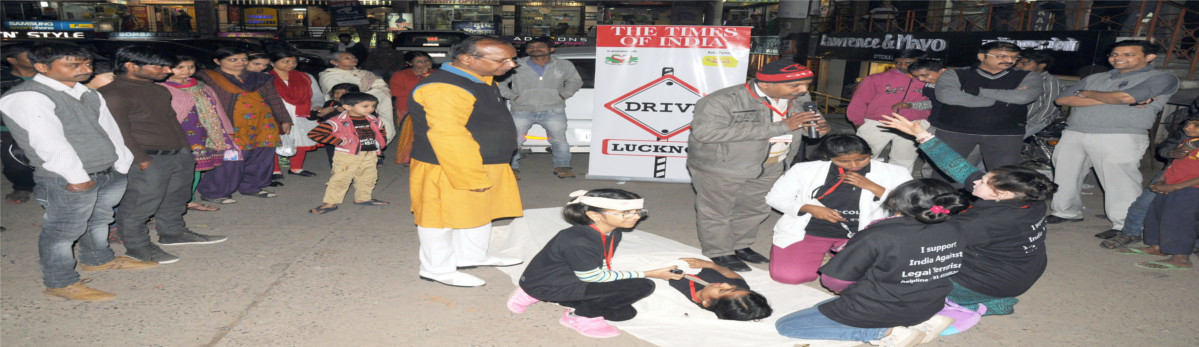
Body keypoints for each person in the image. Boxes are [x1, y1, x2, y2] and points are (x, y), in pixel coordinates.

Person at [0, 42, 158, 301]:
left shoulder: (87, 93)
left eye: (87, 64)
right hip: (68, 177)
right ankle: (60, 282)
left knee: (98, 221)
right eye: (73, 64)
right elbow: (47, 142)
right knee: (62, 232)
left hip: (106, 170)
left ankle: (98, 260)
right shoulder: (28, 96)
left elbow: (109, 130)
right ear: (42, 67)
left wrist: (120, 163)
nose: (84, 69)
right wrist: (76, 178)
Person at [882, 113, 1056, 316]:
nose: (976, 181)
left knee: (899, 274)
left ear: (1003, 193)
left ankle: (978, 303)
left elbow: (924, 240)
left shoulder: (985, 221)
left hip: (990, 283)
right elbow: (960, 168)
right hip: (1019, 272)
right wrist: (922, 134)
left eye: (983, 182)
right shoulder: (1029, 200)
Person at [775, 178, 966, 346]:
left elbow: (834, 281)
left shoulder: (879, 234)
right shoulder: (957, 227)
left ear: (898, 202)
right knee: (819, 308)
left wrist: (844, 284)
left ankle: (883, 332)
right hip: (929, 302)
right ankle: (923, 321)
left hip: (881, 308)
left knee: (787, 326)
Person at [687, 60, 830, 272]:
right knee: (718, 211)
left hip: (773, 164)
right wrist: (781, 126)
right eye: (796, 86)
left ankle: (740, 245)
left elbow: (810, 121)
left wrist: (823, 126)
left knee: (755, 209)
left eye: (807, 84)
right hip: (723, 167)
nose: (804, 90)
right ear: (765, 85)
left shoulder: (800, 98)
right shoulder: (723, 100)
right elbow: (705, 133)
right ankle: (719, 252)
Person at [409, 36, 524, 287]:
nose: (511, 64)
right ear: (467, 59)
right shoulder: (444, 87)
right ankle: (436, 269)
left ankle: (471, 255)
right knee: (439, 219)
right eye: (502, 60)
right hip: (447, 165)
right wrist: (471, 176)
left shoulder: (481, 79)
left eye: (512, 58)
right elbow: (449, 135)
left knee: (479, 212)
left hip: (486, 161)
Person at [101, 45, 228, 264]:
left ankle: (173, 232)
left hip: (178, 153)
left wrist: (186, 153)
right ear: (131, 65)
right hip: (147, 155)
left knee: (176, 197)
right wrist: (142, 159)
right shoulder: (113, 93)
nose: (167, 70)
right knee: (141, 204)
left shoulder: (158, 89)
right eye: (159, 65)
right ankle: (137, 246)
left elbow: (172, 123)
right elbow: (119, 132)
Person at [506, 189, 684, 338]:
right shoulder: (578, 240)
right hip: (547, 284)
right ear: (594, 215)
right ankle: (576, 315)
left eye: (638, 211)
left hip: (570, 278)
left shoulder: (613, 232)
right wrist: (649, 273)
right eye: (626, 213)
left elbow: (603, 262)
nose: (635, 217)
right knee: (643, 286)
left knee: (624, 313)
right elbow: (594, 276)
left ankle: (564, 301)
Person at [1047, 40, 1180, 235]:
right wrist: (1116, 98)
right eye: (1115, 54)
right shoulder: (1097, 76)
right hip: (1075, 131)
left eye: (1128, 54)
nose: (1118, 58)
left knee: (1119, 181)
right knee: (1065, 174)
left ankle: (1125, 224)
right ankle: (1065, 211)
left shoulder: (1162, 77)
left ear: (1149, 57)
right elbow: (1062, 99)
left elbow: (1127, 97)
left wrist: (1086, 94)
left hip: (1121, 134)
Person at [764, 134, 913, 284]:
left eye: (862, 158)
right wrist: (808, 208)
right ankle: (829, 249)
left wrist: (874, 187)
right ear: (829, 157)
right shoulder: (803, 170)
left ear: (870, 153)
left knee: (858, 280)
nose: (854, 165)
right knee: (789, 276)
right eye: (843, 161)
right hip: (813, 230)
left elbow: (912, 204)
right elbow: (774, 198)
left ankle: (839, 251)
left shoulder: (895, 172)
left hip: (863, 235)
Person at [929, 41, 1041, 179]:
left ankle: (992, 201)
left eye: (1014, 57)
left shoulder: (1028, 76)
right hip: (954, 131)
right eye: (1002, 56)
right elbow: (947, 96)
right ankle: (943, 201)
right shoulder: (955, 74)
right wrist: (1004, 99)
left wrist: (975, 91)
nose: (1010, 60)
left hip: (1005, 134)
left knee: (1003, 178)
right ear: (982, 56)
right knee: (946, 175)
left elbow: (1025, 97)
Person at [195, 47, 293, 203]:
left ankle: (252, 186)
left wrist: (284, 119)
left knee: (262, 155)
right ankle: (215, 192)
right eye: (233, 60)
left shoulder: (259, 78)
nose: (240, 63)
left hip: (263, 121)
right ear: (217, 61)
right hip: (230, 124)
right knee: (231, 158)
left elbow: (274, 98)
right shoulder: (208, 78)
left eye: (243, 59)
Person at [1113, 114, 1199, 270]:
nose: (1188, 127)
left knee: (1181, 222)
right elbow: (1174, 164)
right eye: (1189, 123)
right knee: (1158, 214)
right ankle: (1158, 247)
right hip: (1170, 185)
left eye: (1196, 125)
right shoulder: (1188, 143)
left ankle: (1181, 258)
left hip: (1191, 191)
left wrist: (1174, 187)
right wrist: (1162, 180)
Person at [1100, 105, 1193, 248]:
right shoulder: (1187, 130)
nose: (1189, 127)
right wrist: (1170, 152)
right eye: (1189, 124)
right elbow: (1164, 149)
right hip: (1173, 172)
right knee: (1143, 204)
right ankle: (1130, 232)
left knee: (1189, 213)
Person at [497, 37, 585, 179]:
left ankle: (563, 167)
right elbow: (499, 82)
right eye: (531, 46)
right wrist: (513, 96)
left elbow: (575, 81)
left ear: (551, 49)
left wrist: (563, 95)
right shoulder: (516, 65)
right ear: (526, 50)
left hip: (553, 110)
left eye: (540, 46)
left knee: (558, 140)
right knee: (515, 141)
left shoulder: (563, 65)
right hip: (521, 110)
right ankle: (512, 169)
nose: (535, 48)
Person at [159, 56, 238, 213]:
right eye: (180, 67)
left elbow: (218, 109)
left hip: (201, 134)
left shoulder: (203, 87)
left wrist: (228, 130)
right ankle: (170, 202)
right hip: (177, 134)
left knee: (196, 168)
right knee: (176, 170)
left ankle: (189, 199)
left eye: (190, 67)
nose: (187, 71)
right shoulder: (160, 88)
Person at [306, 92, 388, 214]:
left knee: (368, 177)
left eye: (373, 106)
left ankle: (363, 198)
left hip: (369, 154)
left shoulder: (374, 120)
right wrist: (339, 141)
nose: (371, 109)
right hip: (347, 155)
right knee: (340, 179)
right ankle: (330, 203)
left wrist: (380, 144)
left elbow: (381, 132)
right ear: (347, 106)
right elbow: (314, 134)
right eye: (365, 106)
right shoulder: (337, 121)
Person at [847, 49, 929, 171]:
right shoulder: (876, 78)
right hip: (877, 123)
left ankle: (898, 188)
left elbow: (934, 103)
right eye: (898, 63)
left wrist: (925, 121)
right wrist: (860, 124)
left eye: (908, 63)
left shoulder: (929, 81)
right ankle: (855, 186)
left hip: (913, 124)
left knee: (904, 161)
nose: (902, 66)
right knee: (861, 158)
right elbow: (858, 102)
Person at [319, 51, 396, 149]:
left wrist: (371, 94)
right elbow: (339, 93)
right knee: (346, 136)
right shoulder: (328, 75)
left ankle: (375, 151)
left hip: (368, 108)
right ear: (334, 62)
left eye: (354, 57)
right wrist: (367, 93)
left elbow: (381, 86)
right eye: (347, 58)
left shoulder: (365, 73)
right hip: (341, 109)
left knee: (370, 132)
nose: (353, 59)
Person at [267, 51, 325, 178]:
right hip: (275, 111)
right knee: (274, 140)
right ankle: (275, 170)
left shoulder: (305, 76)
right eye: (285, 61)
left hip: (300, 112)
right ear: (272, 63)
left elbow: (316, 95)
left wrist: (316, 105)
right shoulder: (266, 77)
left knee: (300, 139)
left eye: (294, 62)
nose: (291, 64)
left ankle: (296, 168)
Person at [665, 257, 772, 321]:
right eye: (734, 287)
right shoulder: (741, 289)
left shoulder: (681, 299)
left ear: (706, 302)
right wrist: (712, 265)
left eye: (723, 290)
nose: (725, 284)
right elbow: (731, 275)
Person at [1, 42, 37, 204]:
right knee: (14, 162)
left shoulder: (48, 75)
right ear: (13, 60)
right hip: (7, 128)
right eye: (29, 55)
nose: (34, 58)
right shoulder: (3, 79)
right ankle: (22, 186)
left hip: (43, 124)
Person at [388, 51, 434, 166]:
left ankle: (427, 157)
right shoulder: (400, 75)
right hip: (407, 108)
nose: (424, 63)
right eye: (419, 61)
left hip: (431, 108)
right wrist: (420, 91)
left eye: (426, 60)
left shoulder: (435, 74)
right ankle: (409, 158)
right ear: (409, 63)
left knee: (429, 134)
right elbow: (394, 91)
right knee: (410, 135)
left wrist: (427, 75)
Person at [1015, 51, 1064, 138]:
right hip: (1016, 120)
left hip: (1035, 122)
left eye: (1024, 63)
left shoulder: (1050, 82)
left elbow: (1049, 108)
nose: (1018, 66)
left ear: (1041, 65)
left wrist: (1028, 124)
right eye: (1018, 62)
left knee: (1007, 142)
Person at [316, 83, 361, 166]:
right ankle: (337, 174)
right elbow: (324, 117)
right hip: (333, 136)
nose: (338, 95)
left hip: (353, 137)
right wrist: (318, 111)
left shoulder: (359, 104)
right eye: (336, 93)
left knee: (353, 156)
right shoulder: (330, 104)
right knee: (333, 156)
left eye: (343, 93)